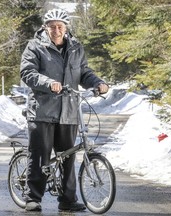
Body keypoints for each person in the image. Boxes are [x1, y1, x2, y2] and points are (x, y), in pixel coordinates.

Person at [20, 8, 109, 212]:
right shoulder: (34, 47)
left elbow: (84, 72)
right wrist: (48, 82)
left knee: (67, 157)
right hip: (42, 111)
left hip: (68, 111)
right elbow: (27, 72)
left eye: (60, 27)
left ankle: (68, 200)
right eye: (52, 27)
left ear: (66, 28)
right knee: (40, 156)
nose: (56, 30)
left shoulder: (76, 47)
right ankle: (32, 197)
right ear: (45, 28)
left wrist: (97, 83)